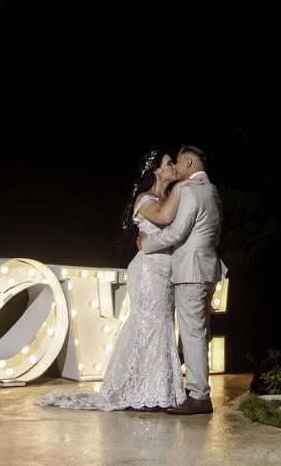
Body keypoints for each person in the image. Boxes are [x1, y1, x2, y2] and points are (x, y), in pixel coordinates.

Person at [34, 150, 200, 411]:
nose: (173, 167)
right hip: (148, 271)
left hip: (167, 272)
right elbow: (165, 218)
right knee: (150, 324)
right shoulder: (145, 199)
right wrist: (185, 185)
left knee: (162, 325)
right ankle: (144, 392)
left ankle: (157, 389)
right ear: (156, 170)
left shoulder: (170, 198)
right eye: (169, 163)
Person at [138, 144, 225, 415]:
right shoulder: (212, 191)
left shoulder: (191, 190)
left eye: (177, 162)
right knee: (200, 332)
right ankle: (196, 391)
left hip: (190, 271)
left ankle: (199, 396)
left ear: (188, 163)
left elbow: (176, 232)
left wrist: (146, 244)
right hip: (206, 269)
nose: (175, 167)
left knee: (192, 334)